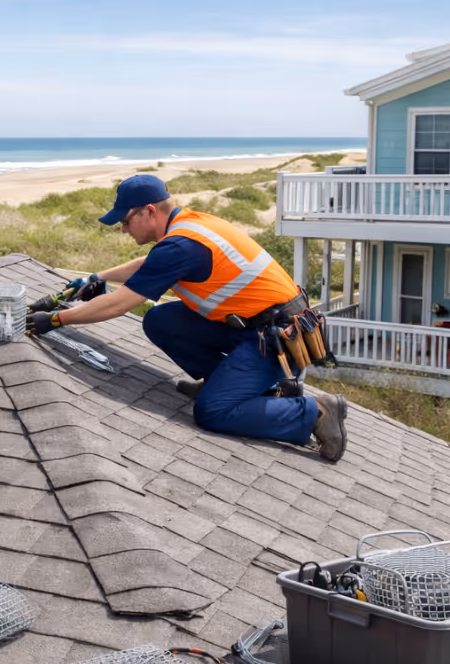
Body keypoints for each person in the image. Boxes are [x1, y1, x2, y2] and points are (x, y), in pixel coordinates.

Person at [26, 174, 348, 462]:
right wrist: (96, 276)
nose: (123, 230)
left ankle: (315, 411)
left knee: (212, 412)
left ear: (149, 211)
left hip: (276, 340)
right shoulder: (189, 225)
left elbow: (119, 304)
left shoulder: (181, 246)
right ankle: (238, 387)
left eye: (125, 221)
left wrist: (56, 321)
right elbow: (151, 263)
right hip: (255, 326)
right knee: (160, 320)